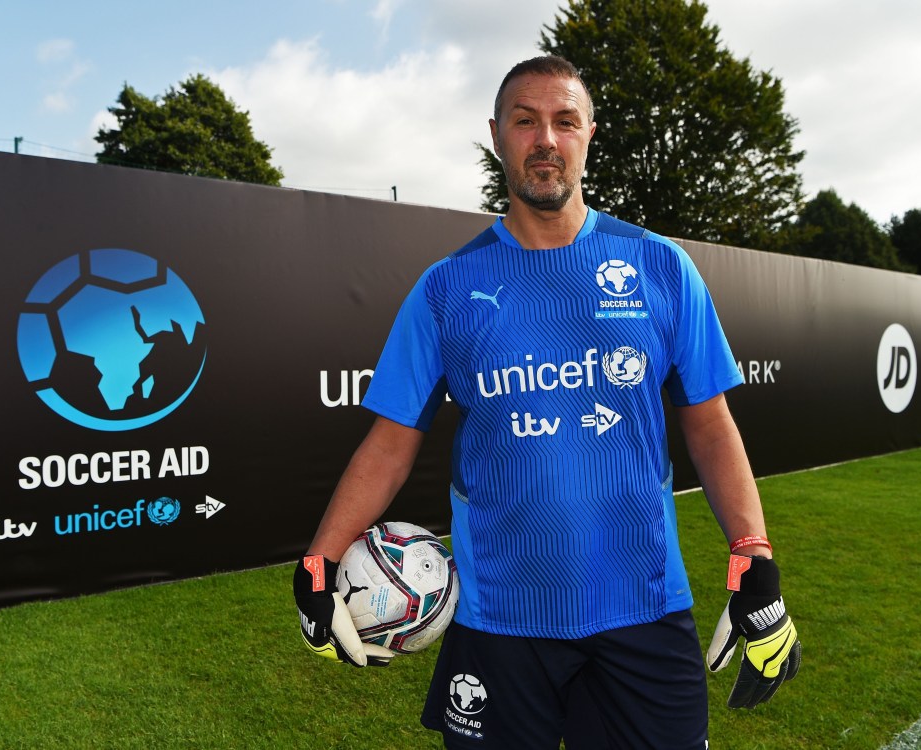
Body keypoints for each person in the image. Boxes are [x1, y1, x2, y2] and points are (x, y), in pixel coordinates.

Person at [294, 55, 800, 749]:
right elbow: (389, 441)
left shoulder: (658, 265)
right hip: (499, 620)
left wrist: (753, 552)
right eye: (525, 122)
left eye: (564, 121)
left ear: (589, 133)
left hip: (643, 607)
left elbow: (710, 425)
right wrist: (320, 559)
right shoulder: (445, 288)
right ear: (497, 135)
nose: (545, 140)